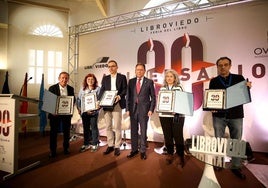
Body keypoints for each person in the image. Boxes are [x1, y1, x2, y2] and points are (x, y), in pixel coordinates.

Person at [209, 56, 252, 179]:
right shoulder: (214, 81)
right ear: (217, 67)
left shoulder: (239, 78)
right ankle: (218, 162)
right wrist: (211, 106)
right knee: (218, 140)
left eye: (225, 64)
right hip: (219, 115)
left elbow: (244, 95)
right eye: (220, 65)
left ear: (230, 66)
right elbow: (211, 97)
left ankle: (236, 166)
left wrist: (247, 88)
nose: (223, 67)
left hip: (236, 115)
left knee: (236, 141)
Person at [126, 63, 156, 160]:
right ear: (135, 71)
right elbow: (128, 97)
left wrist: (151, 109)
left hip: (144, 110)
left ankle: (143, 151)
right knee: (133, 131)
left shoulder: (149, 82)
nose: (139, 71)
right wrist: (127, 109)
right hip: (133, 110)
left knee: (143, 131)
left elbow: (153, 97)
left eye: (141, 69)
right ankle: (134, 150)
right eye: (137, 69)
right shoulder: (130, 81)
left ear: (144, 71)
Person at [98, 60, 127, 156]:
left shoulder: (122, 77)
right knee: (108, 126)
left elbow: (125, 89)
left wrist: (119, 96)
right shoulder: (105, 78)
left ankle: (117, 146)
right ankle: (110, 145)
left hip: (117, 103)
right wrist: (99, 100)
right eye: (109, 66)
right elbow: (102, 90)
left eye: (113, 66)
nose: (111, 68)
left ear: (117, 67)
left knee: (117, 126)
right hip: (107, 104)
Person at [158, 69, 185, 167]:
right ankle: (170, 153)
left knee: (178, 136)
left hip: (177, 116)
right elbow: (160, 102)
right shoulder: (162, 88)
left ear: (175, 78)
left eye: (171, 76)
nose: (169, 78)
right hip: (164, 115)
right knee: (167, 136)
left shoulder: (179, 87)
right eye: (167, 76)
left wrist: (177, 109)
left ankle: (180, 155)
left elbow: (182, 101)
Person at [48, 71, 75, 158]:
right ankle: (53, 150)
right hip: (54, 114)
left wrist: (70, 108)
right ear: (59, 79)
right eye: (62, 78)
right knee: (53, 133)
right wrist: (53, 111)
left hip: (66, 114)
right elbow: (49, 102)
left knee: (67, 132)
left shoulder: (71, 89)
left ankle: (66, 148)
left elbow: (73, 100)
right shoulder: (52, 88)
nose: (64, 79)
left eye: (66, 78)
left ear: (68, 79)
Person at [77, 73, 100, 152]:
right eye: (88, 79)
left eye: (92, 79)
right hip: (84, 113)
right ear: (86, 81)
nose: (90, 81)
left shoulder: (98, 89)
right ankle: (86, 144)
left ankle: (94, 144)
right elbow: (78, 100)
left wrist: (95, 109)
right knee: (86, 128)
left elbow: (99, 101)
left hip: (94, 112)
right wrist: (79, 109)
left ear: (95, 80)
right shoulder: (82, 89)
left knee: (94, 128)